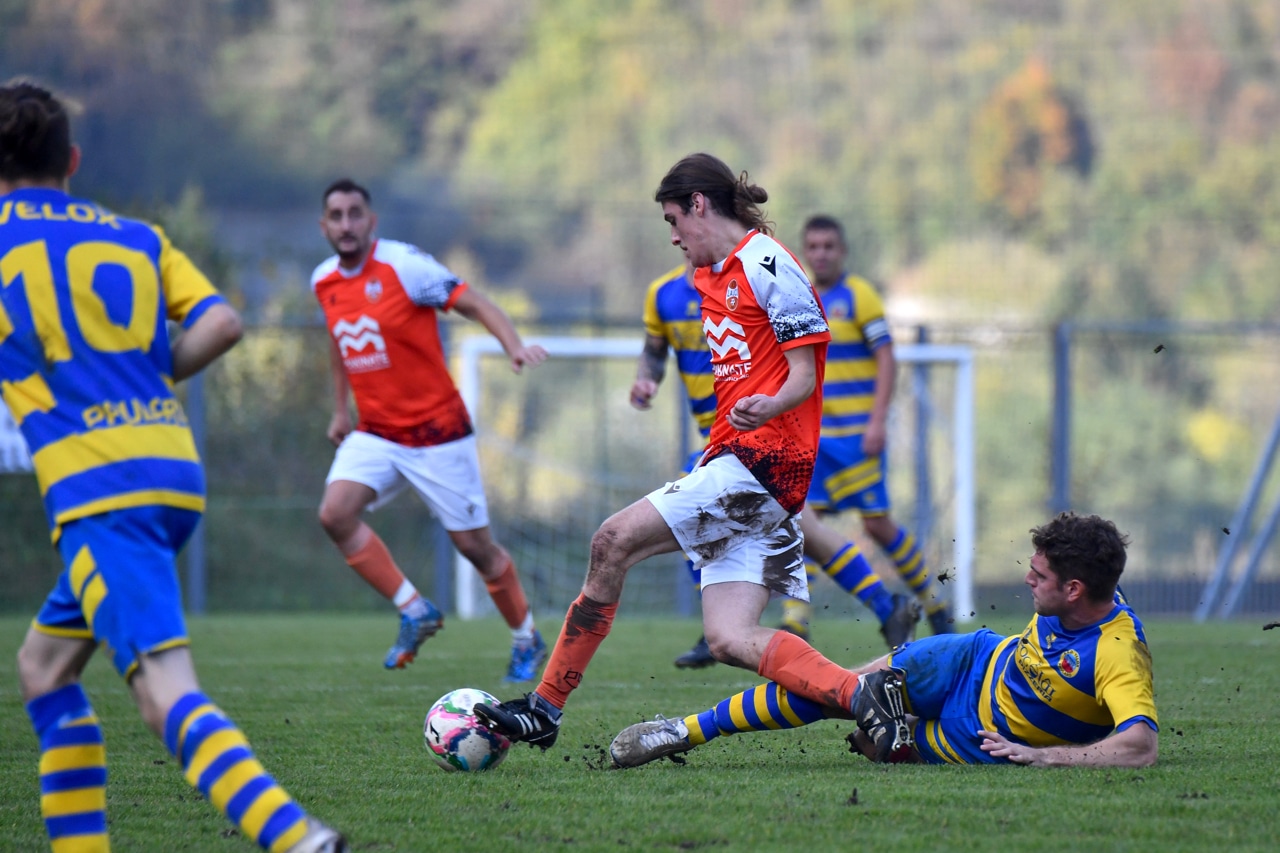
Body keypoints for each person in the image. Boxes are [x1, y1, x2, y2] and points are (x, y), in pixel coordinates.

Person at [2, 80, 346, 852]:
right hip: (171, 470)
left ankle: (300, 839)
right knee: (44, 668)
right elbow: (221, 321)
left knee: (164, 692)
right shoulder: (136, 237)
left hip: (100, 492)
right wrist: (142, 379)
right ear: (72, 160)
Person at [474, 152, 910, 758]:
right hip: (744, 464)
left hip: (766, 463)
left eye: (674, 220)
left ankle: (544, 708)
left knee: (611, 541)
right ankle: (866, 696)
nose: (674, 236)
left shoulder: (769, 265)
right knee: (729, 637)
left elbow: (806, 376)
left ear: (699, 205)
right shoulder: (707, 277)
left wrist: (768, 404)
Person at [609, 512, 1158, 770]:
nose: (1027, 580)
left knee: (873, 741)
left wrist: (1047, 758)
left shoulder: (1116, 653)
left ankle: (898, 723)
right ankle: (684, 731)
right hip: (971, 660)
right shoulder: (1094, 586)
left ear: (1075, 589)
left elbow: (1140, 746)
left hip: (981, 736)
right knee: (842, 690)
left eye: (1039, 576)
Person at [311, 179, 548, 682]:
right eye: (337, 215)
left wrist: (512, 345)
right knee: (335, 514)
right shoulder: (324, 280)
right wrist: (339, 411)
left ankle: (526, 636)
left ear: (371, 221)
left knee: (477, 550)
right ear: (324, 225)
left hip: (437, 432)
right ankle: (415, 609)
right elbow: (338, 340)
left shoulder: (405, 267)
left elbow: (475, 302)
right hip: (377, 433)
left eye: (355, 213)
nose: (347, 224)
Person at [632, 263, 919, 669]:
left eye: (682, 229)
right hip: (716, 433)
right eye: (672, 230)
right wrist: (647, 379)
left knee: (685, 514)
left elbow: (794, 354)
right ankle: (888, 607)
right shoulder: (662, 294)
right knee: (806, 530)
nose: (678, 237)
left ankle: (724, 628)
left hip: (761, 432)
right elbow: (654, 350)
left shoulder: (753, 280)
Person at [783, 214, 952, 637]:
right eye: (814, 247)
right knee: (804, 522)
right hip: (815, 441)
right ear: (805, 252)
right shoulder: (798, 299)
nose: (821, 254)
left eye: (829, 246)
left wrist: (878, 420)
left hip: (859, 438)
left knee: (877, 525)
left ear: (842, 251)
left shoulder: (859, 296)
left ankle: (935, 603)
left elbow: (887, 358)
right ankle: (796, 621)